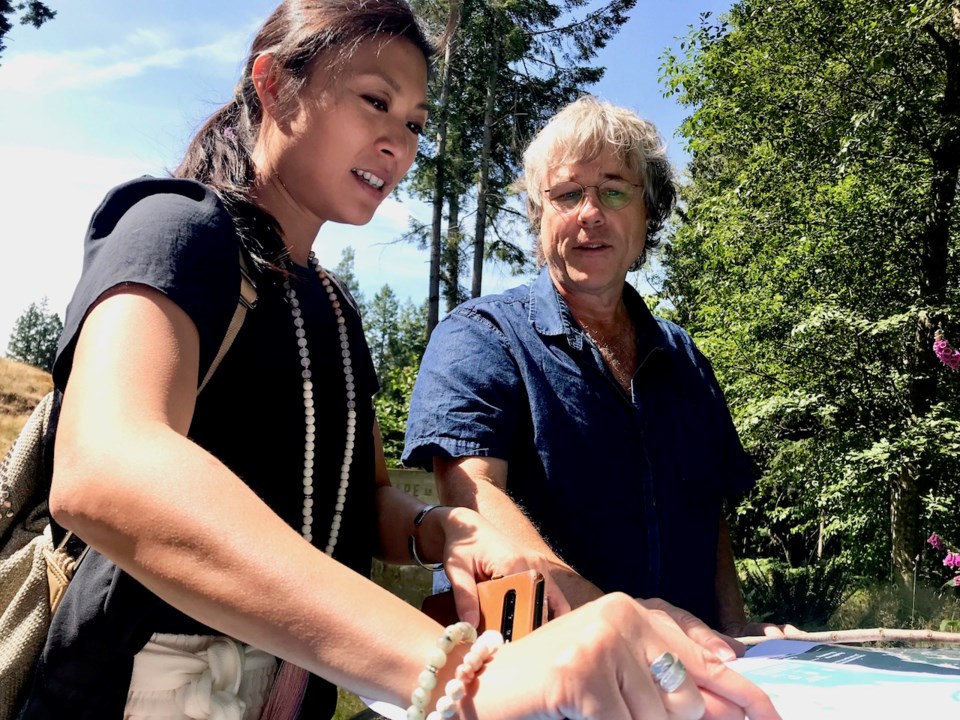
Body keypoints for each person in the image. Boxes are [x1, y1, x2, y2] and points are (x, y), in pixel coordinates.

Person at [17, 4, 780, 718]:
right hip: (131, 686)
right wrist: (465, 668)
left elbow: (365, 495)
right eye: (374, 101)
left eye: (414, 122)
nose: (400, 142)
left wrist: (440, 530)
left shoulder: (335, 307)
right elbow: (105, 469)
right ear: (274, 84)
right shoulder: (176, 227)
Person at [404, 96, 791, 645]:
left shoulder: (684, 359)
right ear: (540, 218)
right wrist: (620, 622)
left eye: (613, 190)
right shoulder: (482, 336)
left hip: (695, 672)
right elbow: (472, 497)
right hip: (542, 674)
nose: (590, 212)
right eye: (567, 194)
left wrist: (734, 626)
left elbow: (709, 517)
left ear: (648, 214)